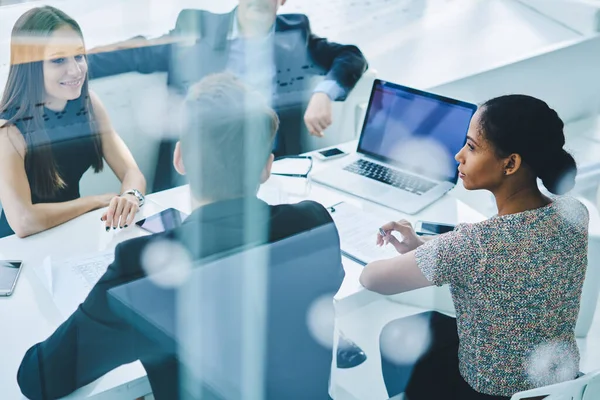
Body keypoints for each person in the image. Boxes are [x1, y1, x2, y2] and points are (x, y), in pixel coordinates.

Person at [17, 73, 344, 400]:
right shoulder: (314, 223)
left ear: (180, 158)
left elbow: (39, 379)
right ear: (266, 167)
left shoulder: (142, 269)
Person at [359, 95, 589, 400]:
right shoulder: (574, 213)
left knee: (400, 333)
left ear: (510, 163)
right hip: (558, 383)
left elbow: (371, 279)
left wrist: (430, 250)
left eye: (471, 146)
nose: (458, 156)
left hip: (490, 391)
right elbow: (512, 253)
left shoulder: (474, 246)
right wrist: (422, 246)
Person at [86, 0, 368, 190]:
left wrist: (324, 94)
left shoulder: (295, 32)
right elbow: (137, 53)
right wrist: (65, 62)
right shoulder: (199, 29)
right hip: (195, 172)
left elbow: (350, 56)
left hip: (272, 174)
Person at [0, 6, 146, 238]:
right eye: (58, 60)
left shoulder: (88, 103)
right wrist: (96, 201)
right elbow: (24, 221)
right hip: (21, 249)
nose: (76, 70)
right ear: (31, 66)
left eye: (78, 56)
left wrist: (130, 196)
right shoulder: (8, 130)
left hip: (71, 230)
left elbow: (131, 170)